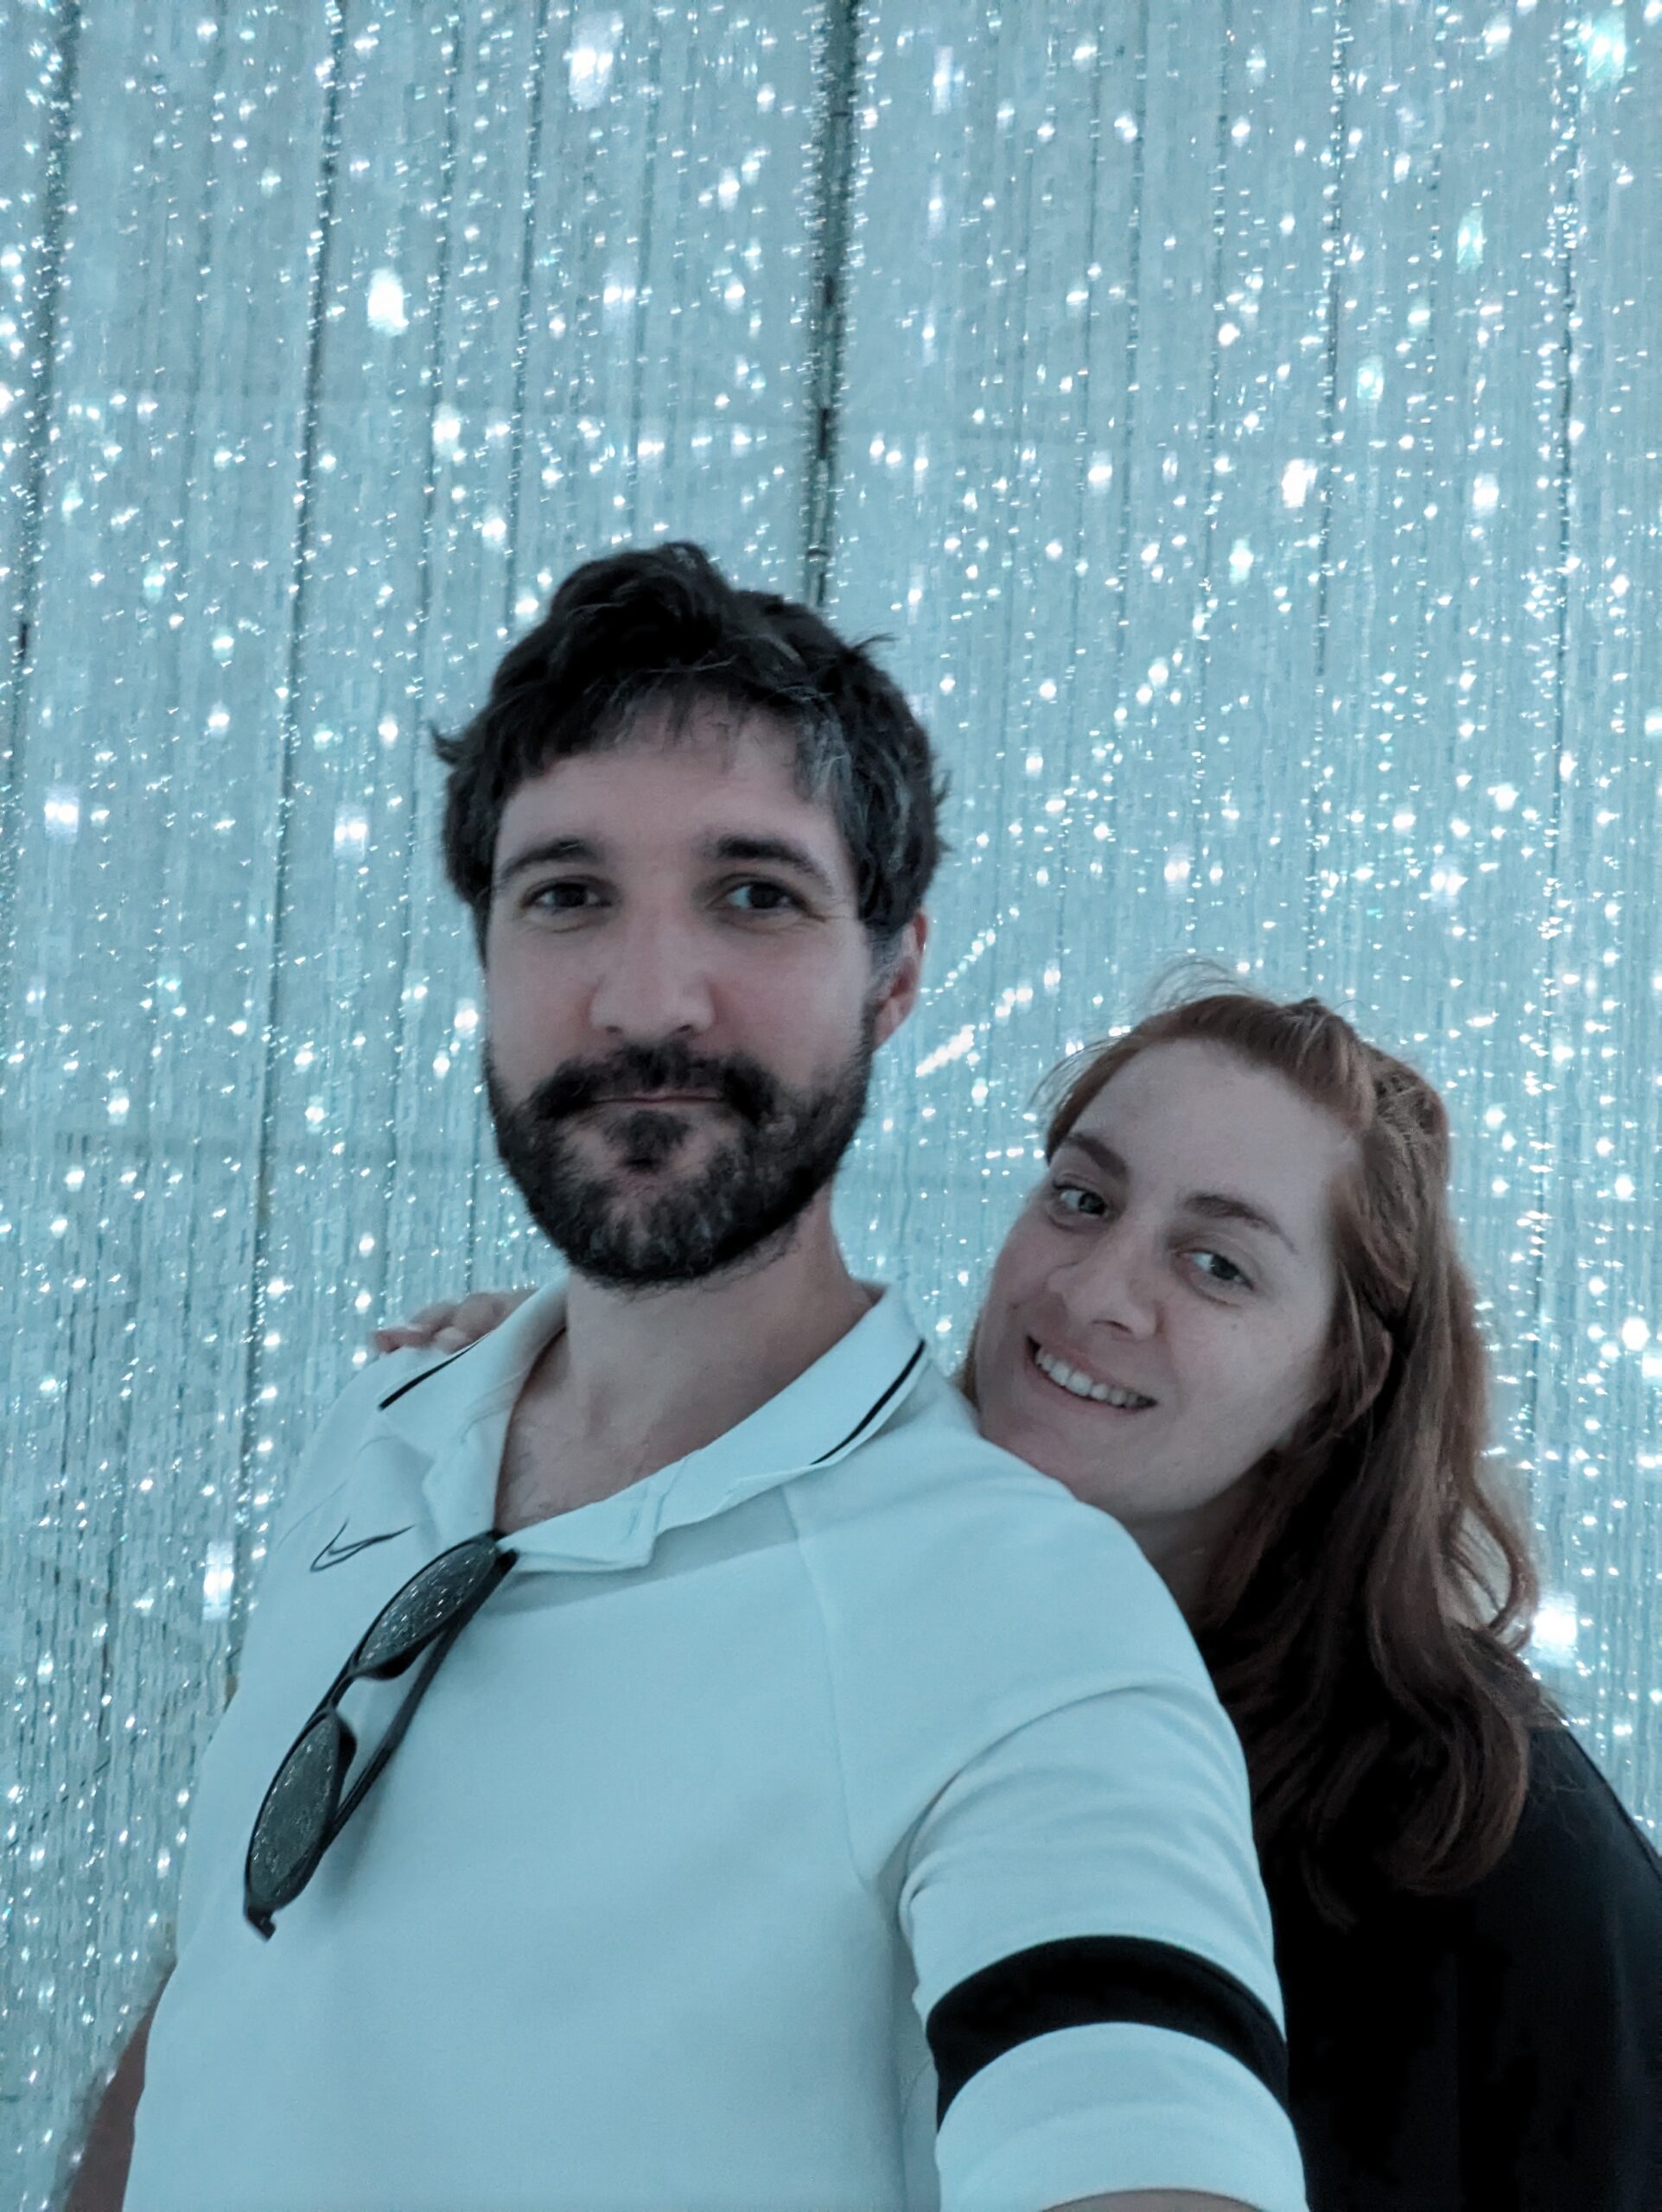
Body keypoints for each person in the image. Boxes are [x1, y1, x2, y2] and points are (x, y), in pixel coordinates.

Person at [74, 544, 1308, 2212]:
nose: (648, 999)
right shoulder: (385, 1426)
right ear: (486, 954)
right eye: (567, 894)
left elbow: (1138, 2139)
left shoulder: (1030, 1623)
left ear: (895, 974)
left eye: (755, 896)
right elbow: (241, 1980)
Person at [385, 985, 1662, 2211]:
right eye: (1082, 1199)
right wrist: (582, 1407)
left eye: (1216, 1265)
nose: (1094, 1292)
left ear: (1343, 1378)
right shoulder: (828, 1588)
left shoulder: (1488, 1838)